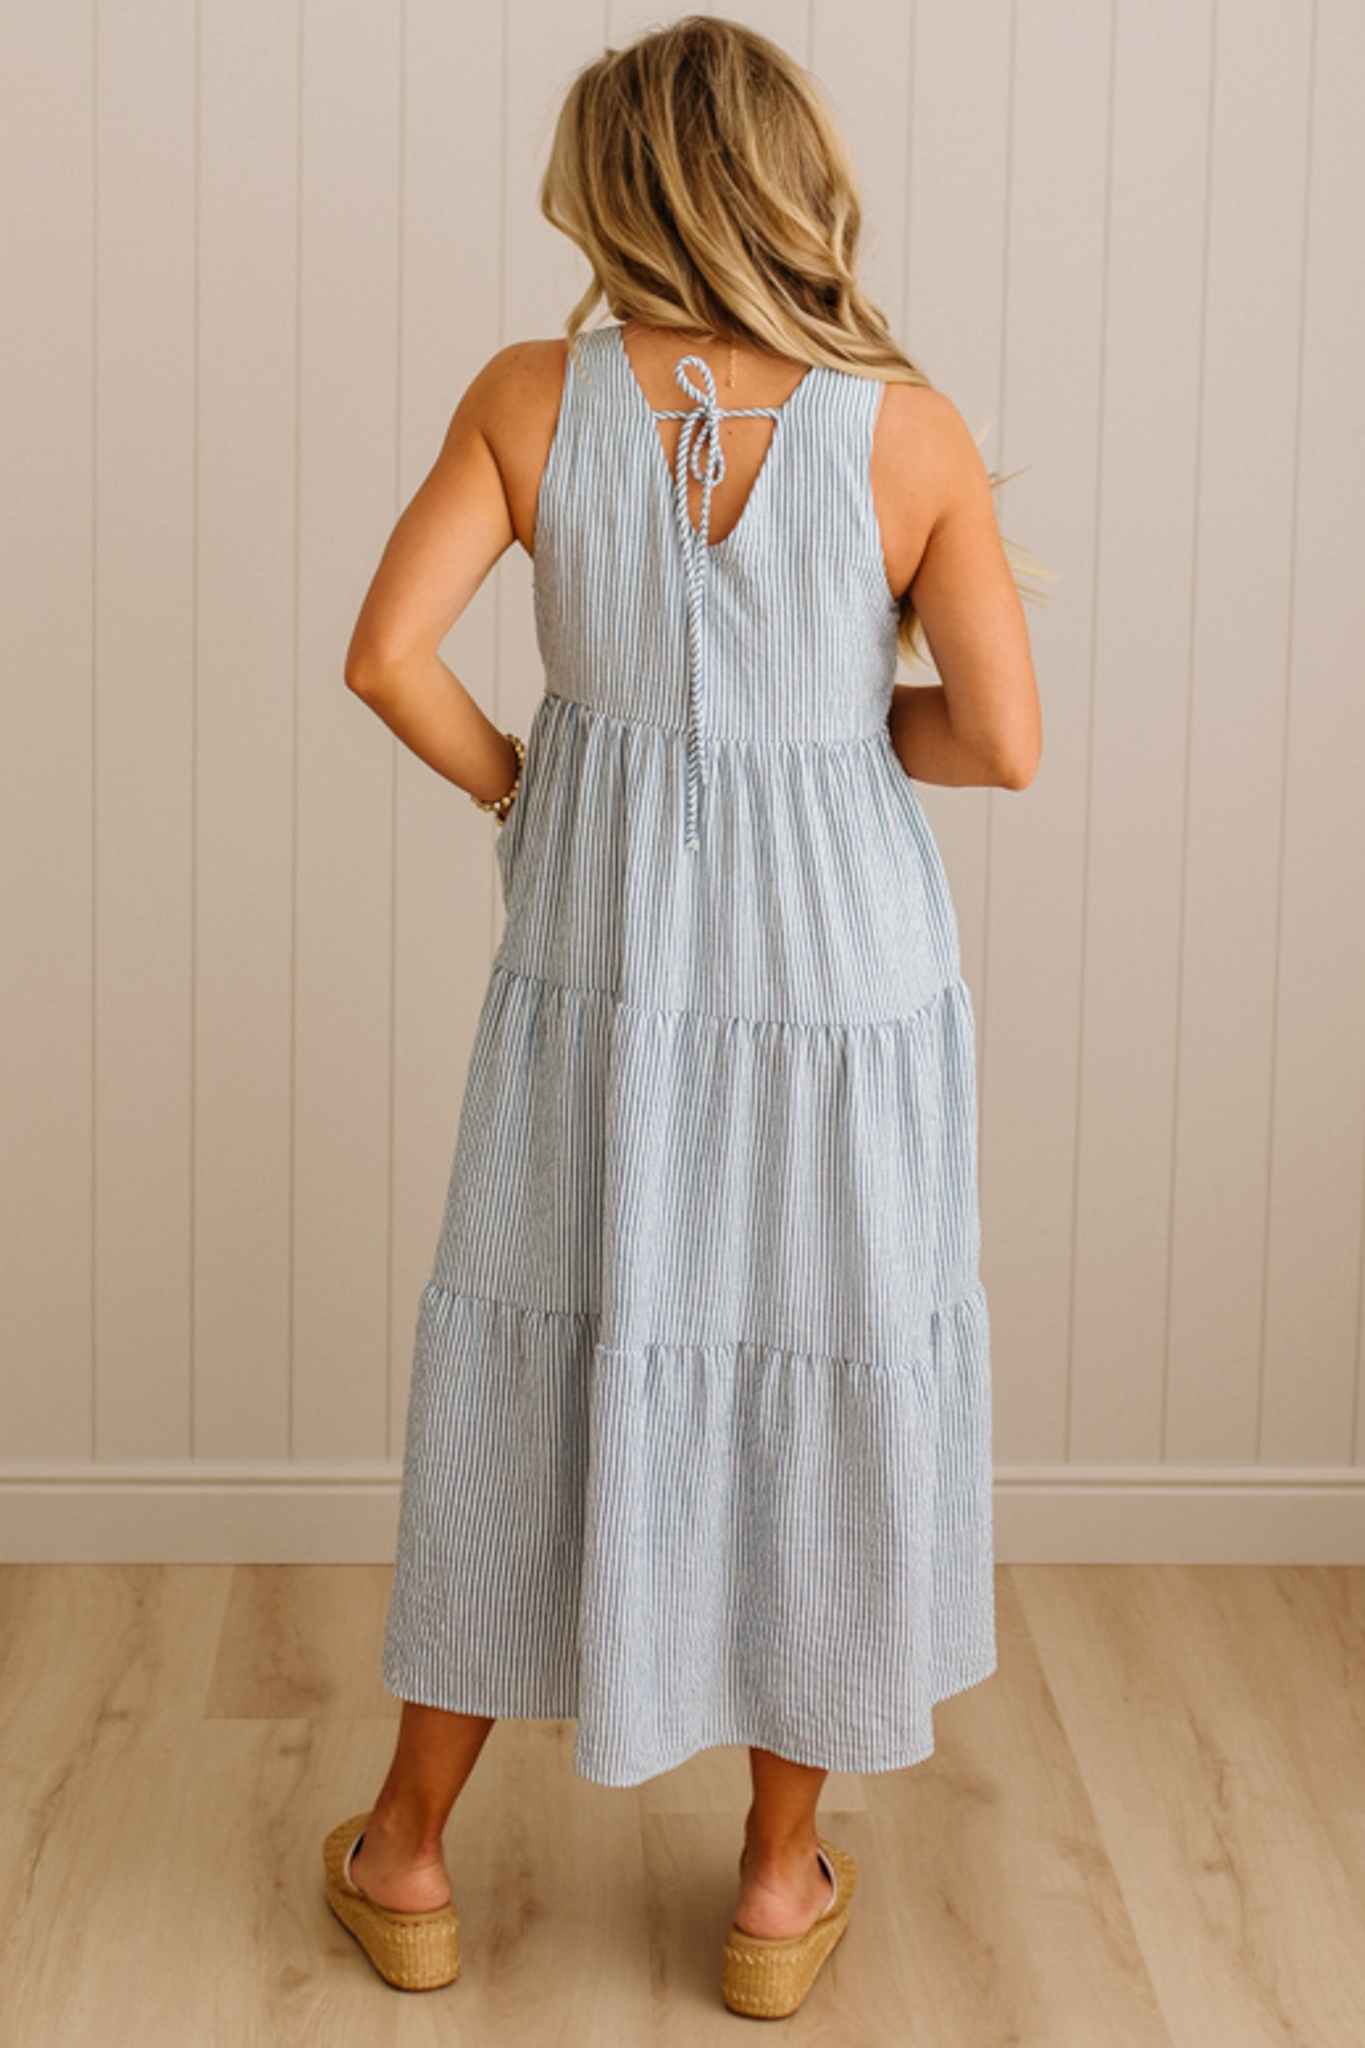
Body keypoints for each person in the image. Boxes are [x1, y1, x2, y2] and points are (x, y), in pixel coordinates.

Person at [323, 14, 1040, 2022]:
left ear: (609, 184)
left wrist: (538, 784)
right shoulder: (906, 430)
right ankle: (776, 1875)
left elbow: (386, 656)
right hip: (844, 993)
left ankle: (404, 1856)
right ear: (787, 175)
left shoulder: (527, 396)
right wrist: (821, 740)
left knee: (539, 1353)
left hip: (604, 974)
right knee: (819, 1364)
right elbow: (1001, 738)